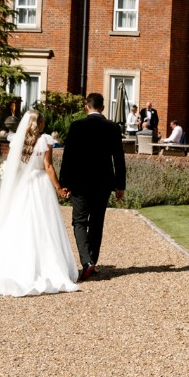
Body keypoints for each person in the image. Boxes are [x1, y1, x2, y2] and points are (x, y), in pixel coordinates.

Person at [0, 110, 79, 297]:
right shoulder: (44, 140)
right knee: (44, 224)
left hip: (24, 186)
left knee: (21, 222)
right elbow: (48, 166)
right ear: (40, 124)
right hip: (41, 185)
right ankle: (47, 264)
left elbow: (15, 167)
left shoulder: (18, 141)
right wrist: (59, 187)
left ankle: (16, 262)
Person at [60, 92, 126, 280]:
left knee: (79, 222)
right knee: (97, 222)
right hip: (103, 182)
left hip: (79, 182)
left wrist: (64, 182)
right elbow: (119, 159)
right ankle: (92, 261)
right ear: (103, 108)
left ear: (86, 107)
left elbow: (68, 157)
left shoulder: (76, 126)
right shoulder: (112, 128)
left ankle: (86, 261)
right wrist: (120, 185)